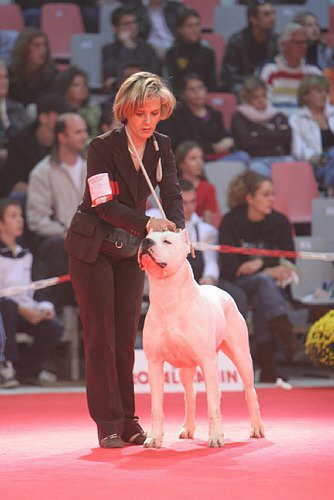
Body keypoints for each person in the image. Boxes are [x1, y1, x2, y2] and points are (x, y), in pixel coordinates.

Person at [64, 72, 184, 448]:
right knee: (100, 337)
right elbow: (102, 204)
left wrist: (176, 233)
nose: (148, 121)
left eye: (154, 113)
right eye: (140, 114)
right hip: (92, 249)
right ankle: (108, 424)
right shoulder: (102, 147)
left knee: (124, 338)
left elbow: (173, 193)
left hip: (131, 250)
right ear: (125, 113)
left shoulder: (161, 146)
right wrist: (148, 222)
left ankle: (129, 420)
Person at [219, 171, 297, 386]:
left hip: (269, 286)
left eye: (272, 194)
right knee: (264, 283)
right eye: (265, 194)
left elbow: (291, 261)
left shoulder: (279, 222)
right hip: (236, 284)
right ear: (250, 198)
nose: (271, 199)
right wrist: (267, 270)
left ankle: (268, 370)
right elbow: (229, 268)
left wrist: (261, 264)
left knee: (264, 292)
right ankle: (282, 331)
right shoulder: (231, 221)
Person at [26, 113, 88, 308]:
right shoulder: (42, 172)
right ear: (62, 137)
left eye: (85, 131)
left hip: (94, 236)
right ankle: (67, 312)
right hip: (63, 240)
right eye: (78, 132)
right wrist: (65, 231)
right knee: (56, 247)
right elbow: (36, 219)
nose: (85, 136)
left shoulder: (94, 165)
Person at [0, 198, 62, 385]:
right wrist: (22, 310)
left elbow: (36, 288)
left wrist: (43, 308)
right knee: (8, 307)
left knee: (52, 328)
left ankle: (27, 371)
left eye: (20, 215)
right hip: (5, 312)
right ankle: (6, 366)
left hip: (25, 311)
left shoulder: (27, 254)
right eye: (13, 216)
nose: (20, 220)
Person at [158, 73, 249, 163]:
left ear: (206, 90)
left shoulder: (215, 114)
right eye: (191, 89)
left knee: (243, 156)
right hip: (194, 161)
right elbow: (183, 146)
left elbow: (223, 136)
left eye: (200, 88)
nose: (197, 93)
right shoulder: (177, 117)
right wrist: (213, 148)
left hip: (218, 158)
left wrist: (228, 141)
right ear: (183, 94)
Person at [3, 93, 69, 197]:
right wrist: (50, 194)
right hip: (30, 198)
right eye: (60, 115)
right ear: (43, 117)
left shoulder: (68, 140)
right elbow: (14, 185)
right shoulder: (19, 142)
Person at [231, 76, 292, 177]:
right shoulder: (239, 117)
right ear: (247, 98)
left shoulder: (277, 115)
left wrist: (258, 134)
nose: (261, 100)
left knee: (293, 164)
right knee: (257, 171)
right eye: (256, 97)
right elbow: (247, 143)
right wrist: (273, 135)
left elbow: (286, 137)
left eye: (263, 96)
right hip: (255, 160)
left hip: (281, 158)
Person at [289, 74, 334, 195]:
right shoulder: (296, 119)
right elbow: (297, 150)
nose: (324, 95)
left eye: (326, 91)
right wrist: (320, 159)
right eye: (319, 91)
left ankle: (331, 192)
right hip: (315, 165)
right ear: (305, 96)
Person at [221, 0, 278, 94]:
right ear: (253, 19)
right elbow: (229, 77)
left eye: (273, 14)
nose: (272, 18)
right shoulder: (237, 42)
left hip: (269, 86)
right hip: (244, 87)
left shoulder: (277, 42)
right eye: (267, 14)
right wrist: (256, 83)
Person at [260, 23, 321, 109]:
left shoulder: (313, 71)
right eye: (297, 43)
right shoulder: (269, 69)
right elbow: (262, 101)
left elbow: (321, 103)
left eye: (305, 42)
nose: (303, 46)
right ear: (283, 45)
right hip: (276, 117)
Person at [102, 6, 161, 92]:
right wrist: (127, 48)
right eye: (127, 24)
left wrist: (130, 46)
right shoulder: (109, 50)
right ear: (115, 29)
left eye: (134, 22)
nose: (133, 27)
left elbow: (151, 74)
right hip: (119, 95)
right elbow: (114, 74)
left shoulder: (148, 49)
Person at [165, 8, 217, 95]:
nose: (195, 29)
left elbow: (212, 84)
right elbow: (171, 83)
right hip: (179, 100)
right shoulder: (172, 53)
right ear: (180, 29)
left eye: (197, 25)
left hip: (204, 98)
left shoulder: (208, 53)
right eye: (189, 26)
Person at [0, 60, 30, 197]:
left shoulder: (18, 109)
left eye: (5, 77)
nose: (3, 81)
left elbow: (29, 140)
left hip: (18, 168)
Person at [175, 141, 221, 228]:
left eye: (201, 158)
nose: (199, 162)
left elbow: (208, 224)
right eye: (193, 158)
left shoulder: (208, 188)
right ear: (181, 164)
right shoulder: (171, 188)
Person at [8, 27, 57, 108]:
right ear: (24, 48)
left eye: (44, 45)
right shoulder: (10, 75)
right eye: (37, 46)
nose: (43, 50)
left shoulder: (54, 75)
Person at [52, 65, 101, 138]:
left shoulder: (94, 110)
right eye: (76, 85)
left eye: (84, 84)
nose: (83, 88)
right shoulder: (56, 112)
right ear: (65, 89)